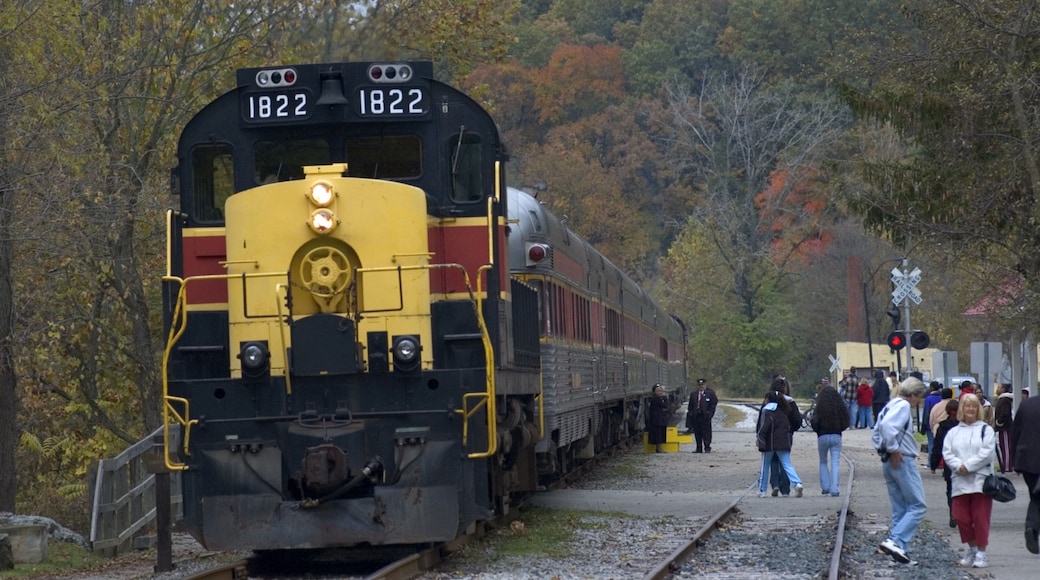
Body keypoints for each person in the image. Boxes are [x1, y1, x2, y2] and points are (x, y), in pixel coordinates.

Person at [873, 376, 928, 565]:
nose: (919, 402)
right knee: (918, 506)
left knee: (900, 509)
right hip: (902, 460)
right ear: (913, 395)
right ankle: (895, 541)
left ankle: (900, 551)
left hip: (888, 461)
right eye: (920, 397)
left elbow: (877, 431)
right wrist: (894, 449)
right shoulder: (903, 406)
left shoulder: (890, 405)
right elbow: (889, 428)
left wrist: (885, 449)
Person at [942, 393, 997, 568]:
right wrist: (959, 466)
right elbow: (947, 453)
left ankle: (981, 553)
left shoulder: (985, 430)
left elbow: (987, 452)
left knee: (980, 517)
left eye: (974, 406)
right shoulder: (953, 432)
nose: (970, 409)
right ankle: (972, 548)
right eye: (967, 406)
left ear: (978, 409)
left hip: (980, 481)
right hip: (959, 480)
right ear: (961, 409)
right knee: (960, 517)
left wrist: (970, 466)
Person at [756, 388, 804, 498]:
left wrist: (760, 441)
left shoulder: (766, 410)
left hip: (769, 444)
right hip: (783, 443)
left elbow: (763, 428)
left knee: (765, 466)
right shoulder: (784, 410)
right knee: (787, 465)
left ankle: (762, 490)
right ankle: (797, 483)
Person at [1011, 391, 1040, 555]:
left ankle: (1032, 530)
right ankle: (1032, 528)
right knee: (1037, 498)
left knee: (1036, 496)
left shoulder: (1027, 404)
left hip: (1027, 460)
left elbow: (1016, 432)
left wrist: (1015, 461)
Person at [811, 382, 850, 496]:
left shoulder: (820, 407)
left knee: (823, 461)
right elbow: (846, 421)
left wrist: (818, 431)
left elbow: (814, 421)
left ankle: (825, 486)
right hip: (836, 435)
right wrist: (839, 429)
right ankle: (835, 488)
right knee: (835, 462)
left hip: (822, 436)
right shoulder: (839, 406)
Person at [767, 375, 801, 496]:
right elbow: (797, 419)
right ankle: (785, 489)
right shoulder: (790, 401)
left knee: (773, 460)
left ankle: (774, 484)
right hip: (786, 434)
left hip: (771, 434)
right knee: (785, 461)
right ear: (785, 388)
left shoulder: (769, 400)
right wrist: (792, 429)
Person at [930, 398, 960, 528]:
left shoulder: (943, 426)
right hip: (964, 461)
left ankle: (953, 512)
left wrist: (934, 463)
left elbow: (937, 446)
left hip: (949, 462)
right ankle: (962, 513)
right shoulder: (963, 425)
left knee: (950, 488)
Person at [686, 378, 717, 453]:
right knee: (697, 432)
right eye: (699, 385)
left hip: (705, 416)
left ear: (705, 385)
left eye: (702, 385)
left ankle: (707, 447)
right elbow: (690, 405)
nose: (701, 386)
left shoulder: (710, 393)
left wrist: (709, 413)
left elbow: (713, 403)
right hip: (696, 416)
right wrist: (691, 413)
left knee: (706, 432)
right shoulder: (694, 394)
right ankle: (698, 447)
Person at [994, 383, 1015, 473]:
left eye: (999, 387)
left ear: (1003, 389)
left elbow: (1005, 413)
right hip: (1003, 427)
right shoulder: (1003, 399)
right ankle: (1006, 464)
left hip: (1005, 427)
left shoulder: (1004, 400)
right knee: (1003, 446)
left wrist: (999, 422)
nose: (997, 389)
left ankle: (1007, 466)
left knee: (1006, 447)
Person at [922, 381, 943, 458]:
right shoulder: (941, 398)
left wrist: (923, 425)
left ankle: (931, 461)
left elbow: (926, 413)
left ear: (932, 388)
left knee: (931, 443)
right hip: (941, 424)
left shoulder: (928, 398)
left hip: (930, 424)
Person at [647, 384, 670, 453]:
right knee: (658, 434)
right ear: (655, 391)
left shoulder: (664, 398)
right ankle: (659, 448)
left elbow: (666, 406)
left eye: (661, 390)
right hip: (657, 420)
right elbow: (661, 407)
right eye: (658, 390)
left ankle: (660, 448)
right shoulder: (655, 399)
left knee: (662, 434)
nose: (660, 392)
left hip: (662, 419)